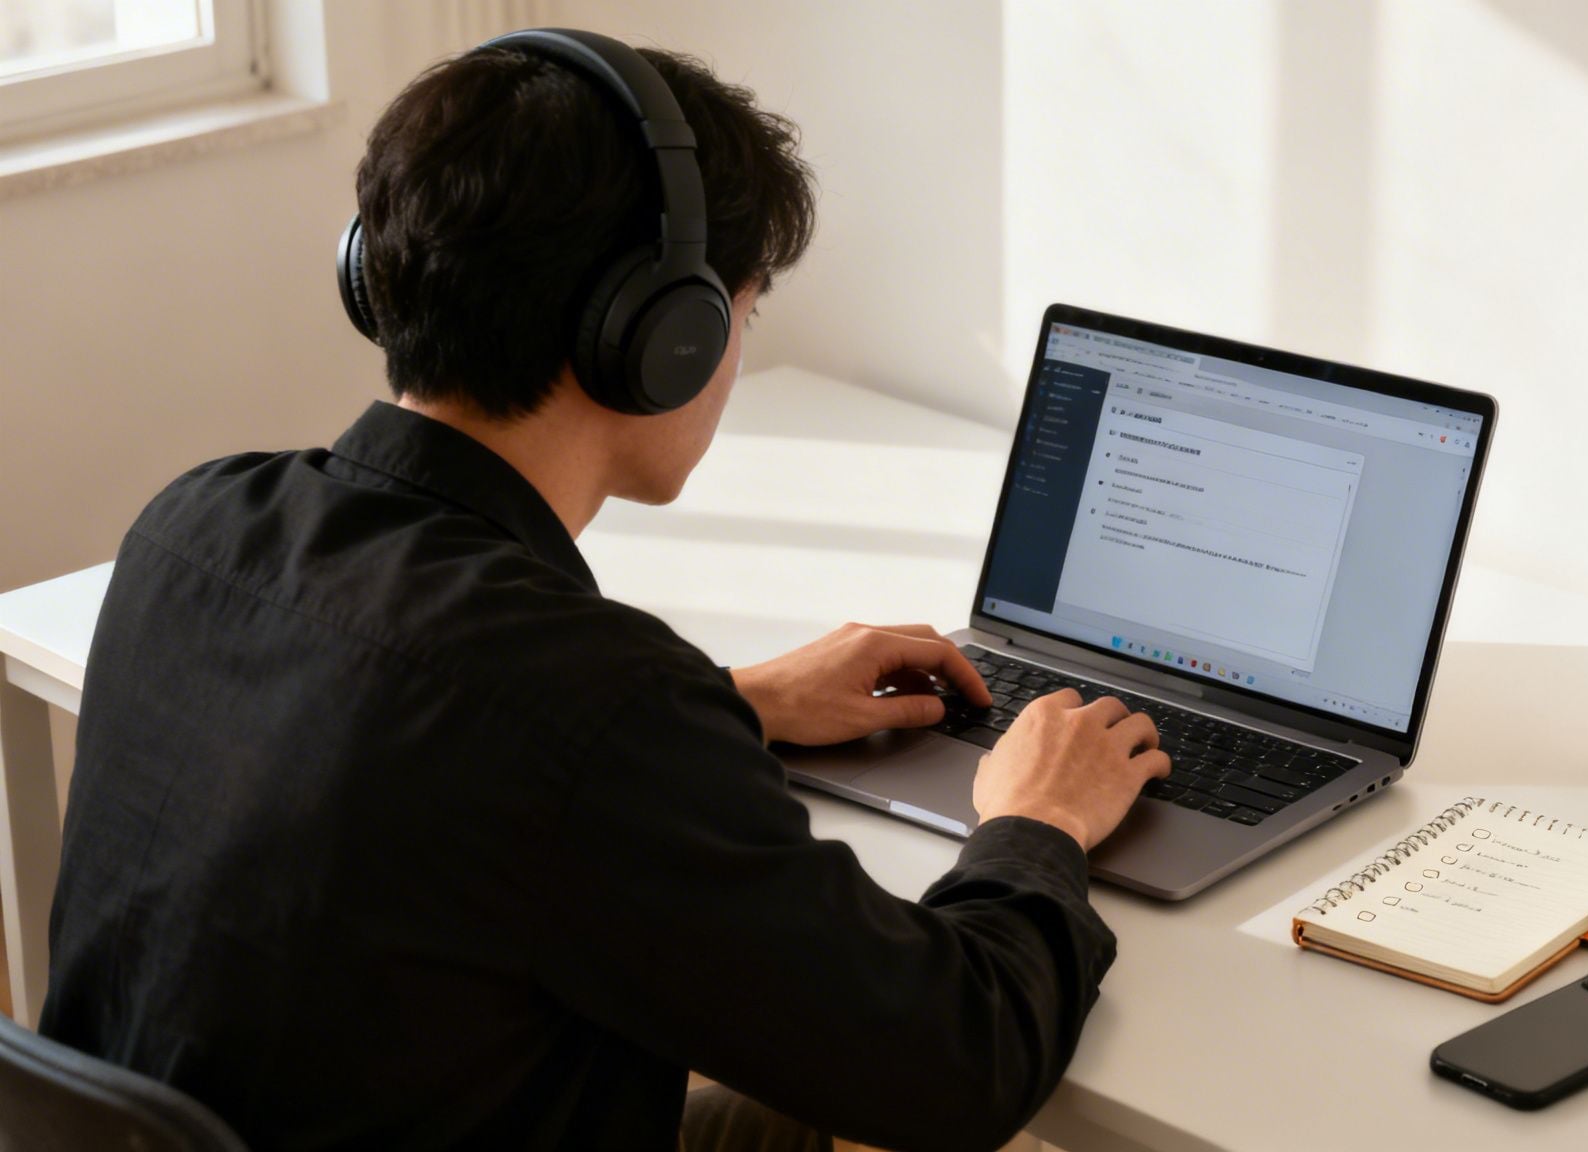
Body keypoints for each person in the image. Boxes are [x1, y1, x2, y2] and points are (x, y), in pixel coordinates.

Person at [40, 30, 1167, 1152]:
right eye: (742, 312)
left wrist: (731, 700)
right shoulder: (591, 707)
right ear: (662, 335)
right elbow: (957, 1065)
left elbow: (430, 750)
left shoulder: (192, 524)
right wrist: (1038, 821)